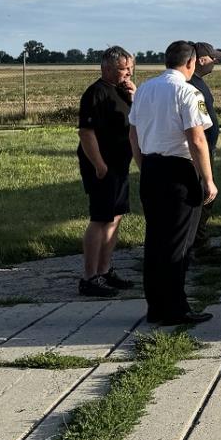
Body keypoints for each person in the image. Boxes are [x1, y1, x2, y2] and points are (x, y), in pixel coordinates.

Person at [128, 40, 217, 325]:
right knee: (179, 244)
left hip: (151, 168)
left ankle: (156, 306)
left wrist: (144, 165)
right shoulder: (188, 92)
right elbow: (197, 138)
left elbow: (133, 134)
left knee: (155, 241)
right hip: (179, 171)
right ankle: (175, 308)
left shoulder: (144, 89)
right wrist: (208, 179)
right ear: (191, 63)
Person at [75, 46, 138, 298]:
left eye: (131, 68)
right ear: (108, 68)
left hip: (120, 164)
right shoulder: (95, 93)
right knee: (101, 219)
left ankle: (105, 270)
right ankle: (89, 277)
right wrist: (99, 165)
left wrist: (133, 98)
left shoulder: (123, 91)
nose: (129, 73)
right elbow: (86, 133)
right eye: (124, 69)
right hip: (102, 166)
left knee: (116, 216)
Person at [186, 41, 221, 258]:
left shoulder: (198, 82)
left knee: (205, 198)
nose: (216, 61)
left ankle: (197, 241)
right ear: (200, 60)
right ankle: (198, 244)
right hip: (199, 152)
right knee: (204, 197)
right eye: (213, 58)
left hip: (206, 150)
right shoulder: (192, 85)